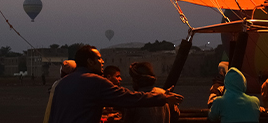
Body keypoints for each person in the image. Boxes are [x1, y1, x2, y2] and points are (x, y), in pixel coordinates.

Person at [47, 45, 183, 123]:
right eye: (99, 58)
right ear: (90, 62)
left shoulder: (60, 84)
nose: (103, 62)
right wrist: (163, 98)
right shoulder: (96, 82)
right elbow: (129, 98)